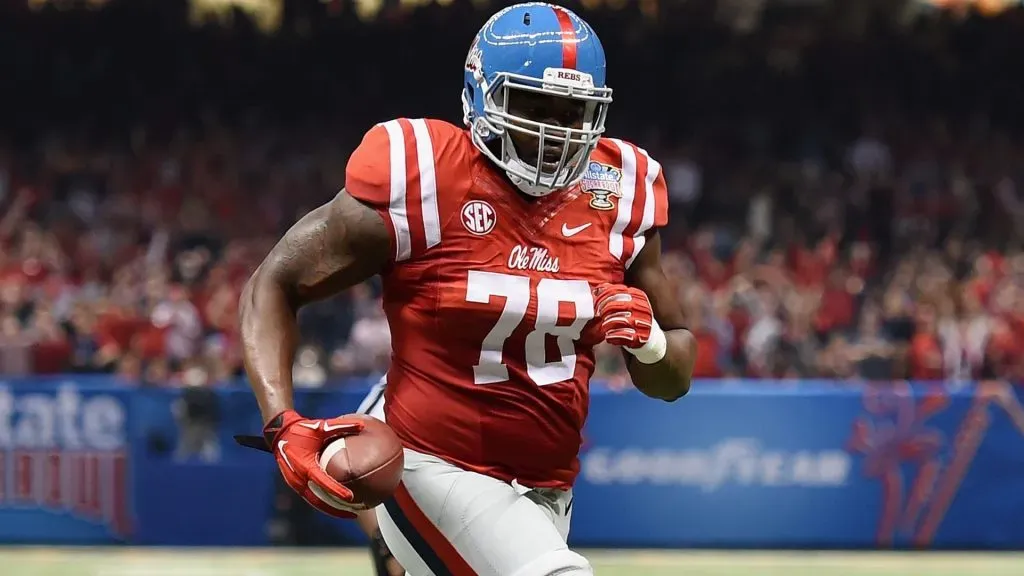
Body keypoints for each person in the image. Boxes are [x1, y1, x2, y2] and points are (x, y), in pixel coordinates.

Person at [238, 3, 697, 575]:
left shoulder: (620, 189)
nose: (553, 132)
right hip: (432, 462)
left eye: (573, 112)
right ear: (481, 95)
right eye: (533, 105)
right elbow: (274, 283)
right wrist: (283, 423)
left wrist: (649, 343)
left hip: (545, 490)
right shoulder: (426, 173)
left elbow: (674, 373)